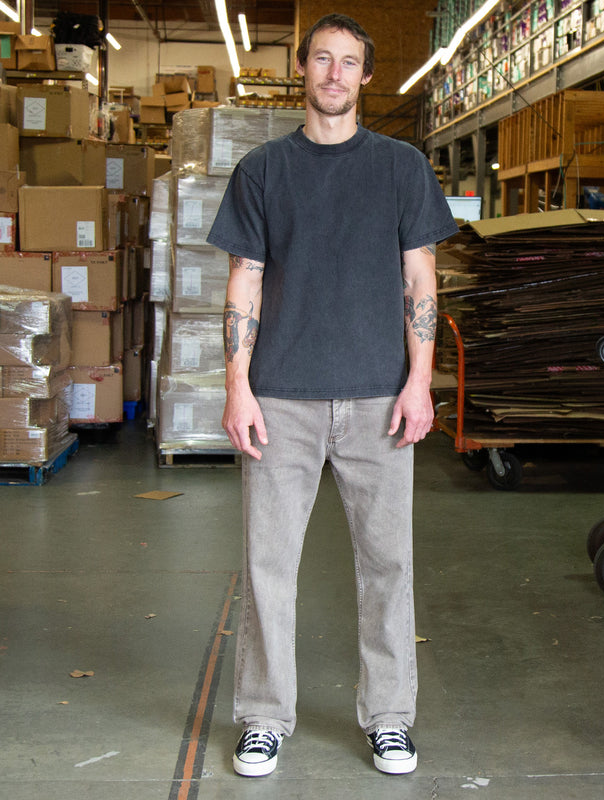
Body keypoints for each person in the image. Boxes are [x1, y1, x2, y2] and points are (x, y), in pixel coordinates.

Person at [207, 12, 459, 778]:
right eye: (322, 59)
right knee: (267, 567)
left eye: (349, 62)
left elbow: (421, 277)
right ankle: (262, 717)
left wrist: (420, 383)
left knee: (387, 567)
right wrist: (237, 388)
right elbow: (243, 279)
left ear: (365, 76)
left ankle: (389, 718)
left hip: (380, 402)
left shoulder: (401, 168)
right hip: (281, 399)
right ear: (303, 69)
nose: (335, 74)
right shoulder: (262, 172)